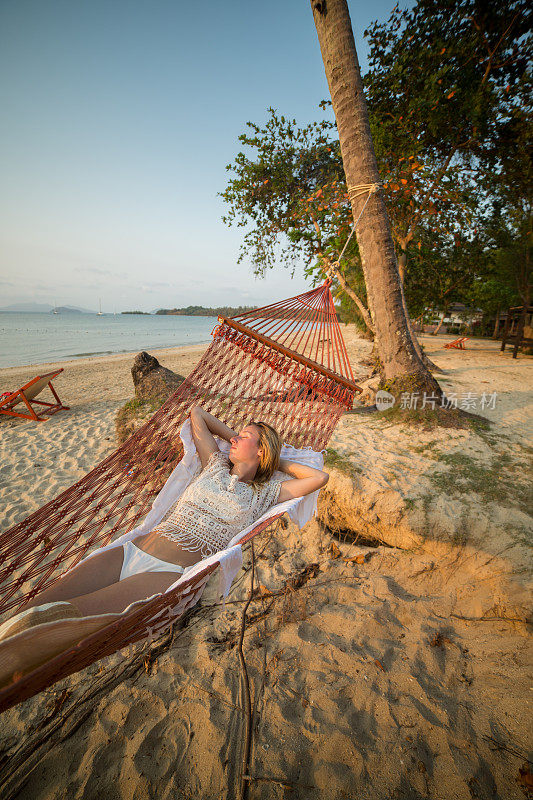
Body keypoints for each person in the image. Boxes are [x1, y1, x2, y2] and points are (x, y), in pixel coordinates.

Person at [0, 406, 329, 640]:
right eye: (235, 435)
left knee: (58, 622)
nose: (233, 440)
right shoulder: (213, 463)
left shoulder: (267, 492)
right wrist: (238, 442)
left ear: (262, 451)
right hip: (131, 550)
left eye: (244, 436)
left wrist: (275, 460)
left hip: (166, 573)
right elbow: (198, 413)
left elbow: (319, 476)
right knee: (34, 609)